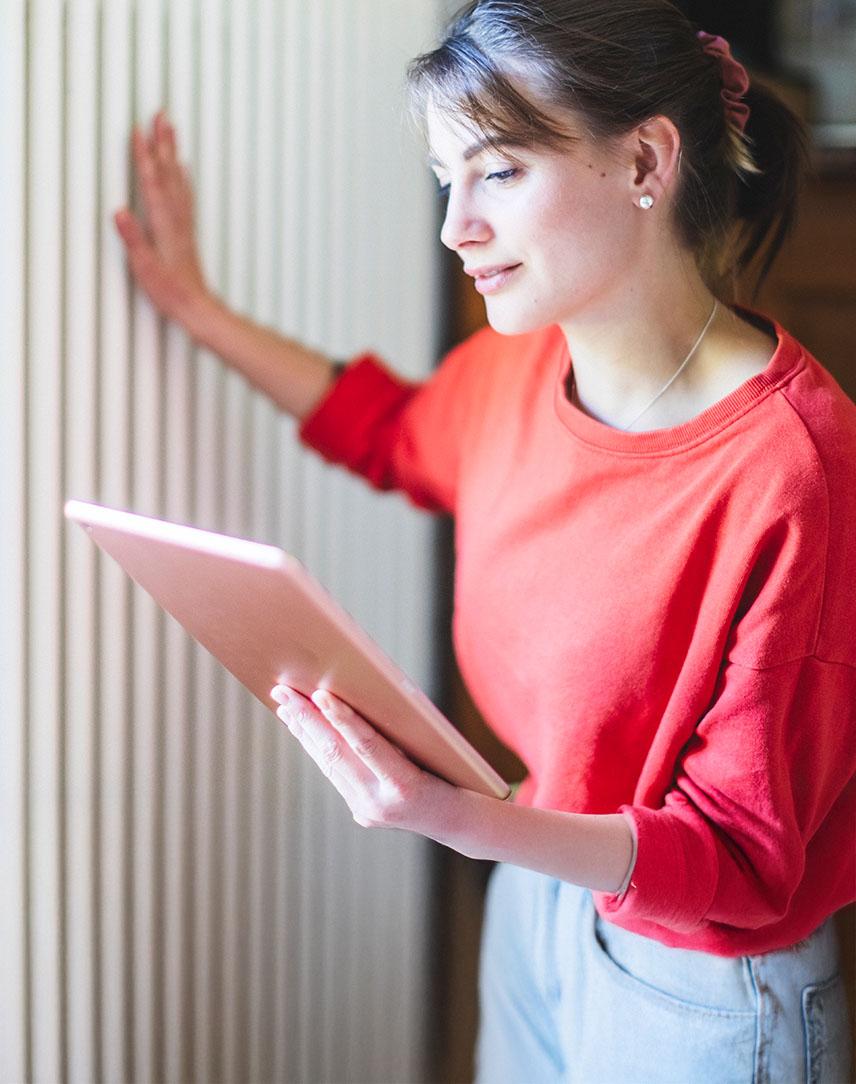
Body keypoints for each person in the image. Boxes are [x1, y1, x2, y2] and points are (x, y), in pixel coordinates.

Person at [114, 1, 856, 1080]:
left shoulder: (795, 470)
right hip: (535, 886)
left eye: (497, 172)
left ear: (646, 157)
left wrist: (463, 820)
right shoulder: (515, 372)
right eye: (444, 178)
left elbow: (742, 857)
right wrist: (197, 310)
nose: (454, 227)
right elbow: (390, 433)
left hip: (705, 980)